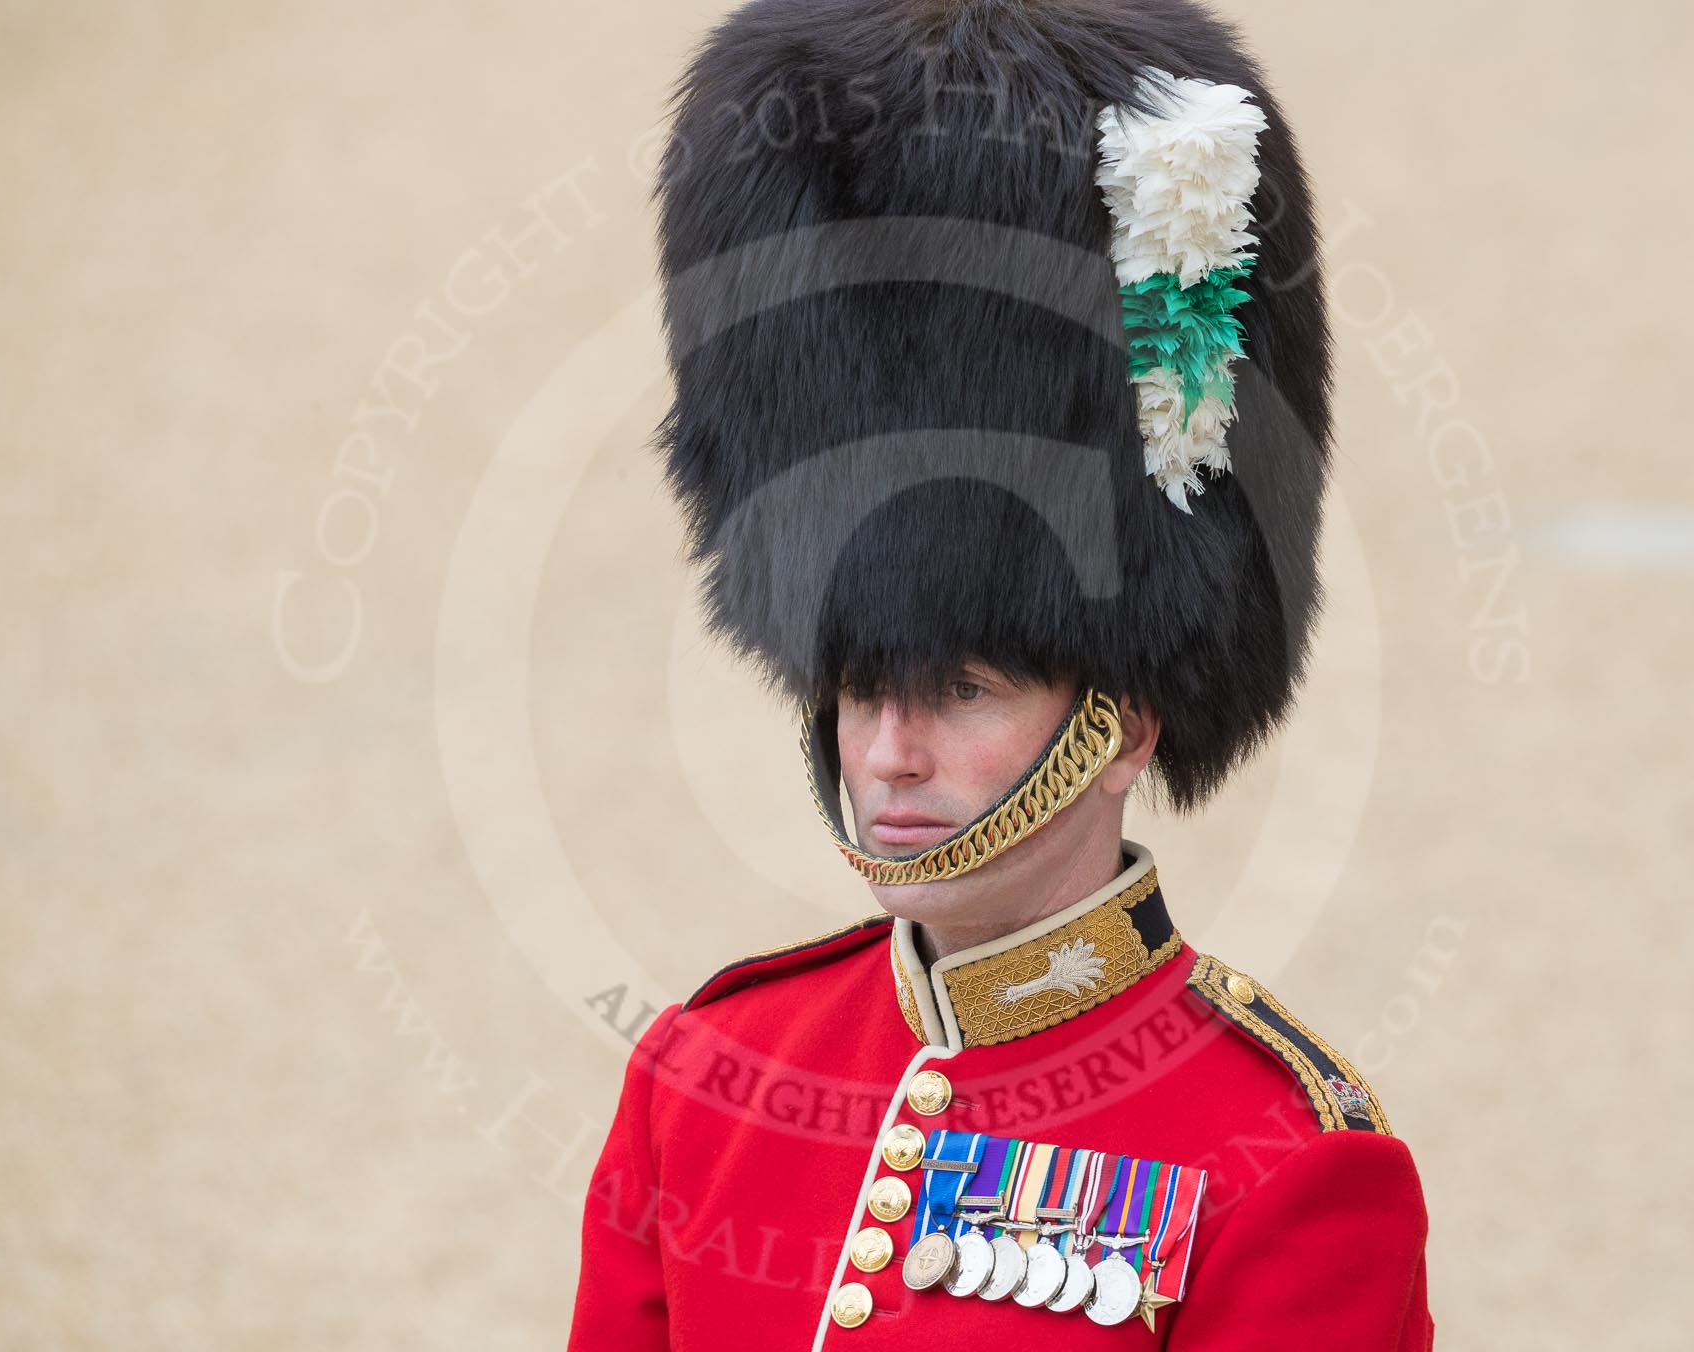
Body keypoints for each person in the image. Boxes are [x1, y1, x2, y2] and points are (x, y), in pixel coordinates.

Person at [568, 0, 1434, 1346]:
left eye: (964, 691)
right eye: (862, 687)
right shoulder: (707, 1079)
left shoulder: (1287, 1164)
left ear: (1124, 717)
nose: (889, 754)